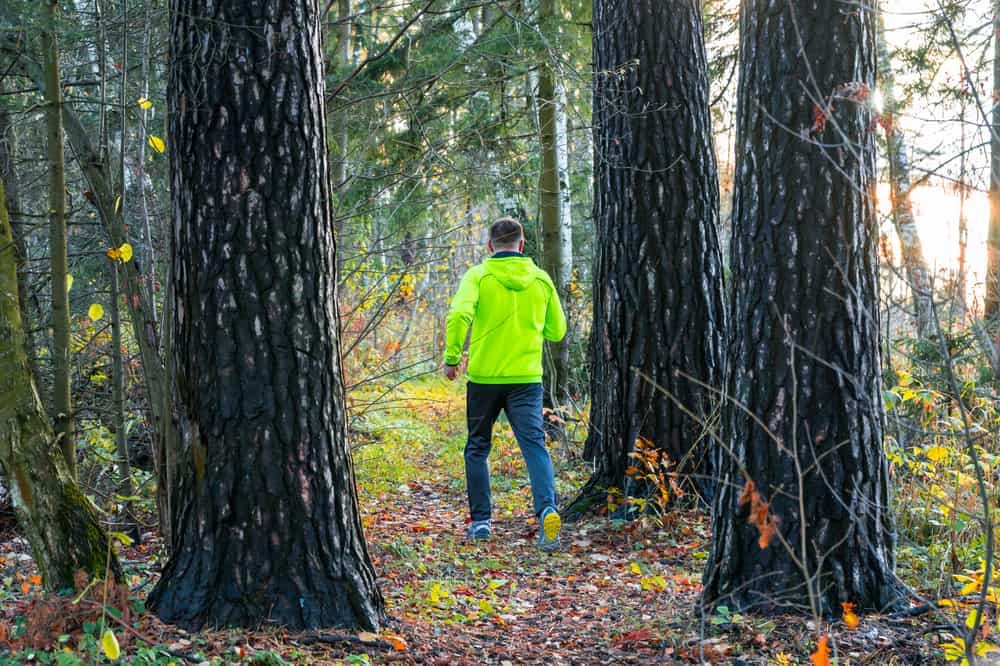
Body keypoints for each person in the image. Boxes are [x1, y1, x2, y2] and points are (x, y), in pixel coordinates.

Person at [444, 217, 567, 552]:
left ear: (490, 246)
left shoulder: (479, 276)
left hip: (484, 379)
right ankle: (547, 512)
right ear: (522, 245)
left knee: (477, 447)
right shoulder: (540, 279)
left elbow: (458, 315)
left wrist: (452, 357)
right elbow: (557, 331)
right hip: (526, 379)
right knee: (535, 446)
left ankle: (481, 522)